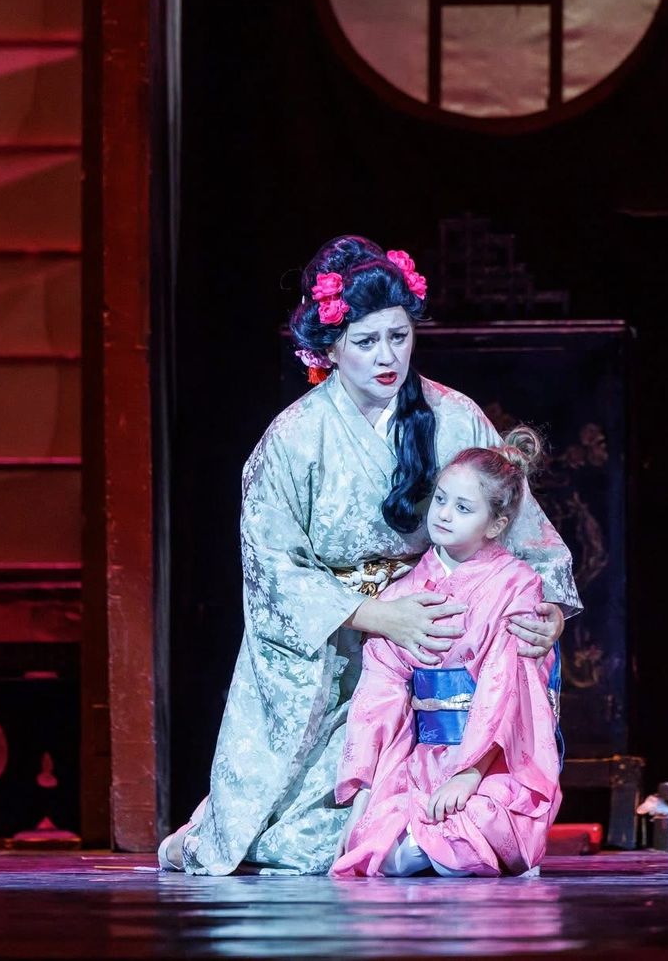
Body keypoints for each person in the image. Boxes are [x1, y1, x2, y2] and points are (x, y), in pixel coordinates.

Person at [161, 235, 580, 875]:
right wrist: (377, 616)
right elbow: (272, 568)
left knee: (445, 795)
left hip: (441, 643)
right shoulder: (294, 438)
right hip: (336, 650)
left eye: (398, 337)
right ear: (330, 348)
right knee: (310, 837)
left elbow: (523, 529)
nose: (387, 357)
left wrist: (547, 613)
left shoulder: (454, 416)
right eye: (365, 342)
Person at [331, 428, 562, 878]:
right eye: (440, 500)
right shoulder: (404, 593)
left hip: (493, 760)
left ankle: (456, 842)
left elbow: (506, 689)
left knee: (477, 827)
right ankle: (426, 842)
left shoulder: (516, 586)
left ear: (495, 525)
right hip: (421, 761)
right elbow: (379, 699)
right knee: (376, 847)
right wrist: (363, 797)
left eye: (463, 508)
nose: (444, 514)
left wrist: (469, 774)